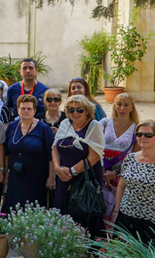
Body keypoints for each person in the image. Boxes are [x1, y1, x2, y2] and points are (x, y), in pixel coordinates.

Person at [114, 120, 155, 246]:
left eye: (148, 135)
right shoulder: (129, 159)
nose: (142, 137)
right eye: (139, 134)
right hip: (126, 218)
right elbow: (121, 187)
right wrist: (116, 212)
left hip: (152, 223)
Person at [52, 95, 105, 239]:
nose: (75, 113)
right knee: (64, 215)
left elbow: (94, 157)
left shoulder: (94, 126)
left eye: (79, 110)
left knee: (85, 215)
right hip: (64, 178)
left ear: (87, 110)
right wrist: (57, 168)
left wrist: (71, 171)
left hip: (85, 179)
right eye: (71, 110)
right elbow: (55, 148)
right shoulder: (65, 124)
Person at [2, 95, 55, 214]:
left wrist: (51, 177)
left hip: (37, 178)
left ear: (35, 111)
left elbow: (51, 154)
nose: (25, 111)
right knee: (13, 207)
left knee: (33, 209)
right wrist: (6, 172)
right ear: (18, 110)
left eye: (29, 109)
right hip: (16, 176)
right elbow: (6, 152)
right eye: (23, 108)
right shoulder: (12, 127)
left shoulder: (44, 129)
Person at [101, 93, 140, 222]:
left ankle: (113, 239)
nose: (122, 108)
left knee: (116, 209)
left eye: (126, 105)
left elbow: (136, 158)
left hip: (121, 175)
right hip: (101, 171)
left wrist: (116, 173)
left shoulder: (136, 129)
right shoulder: (105, 123)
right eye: (119, 104)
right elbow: (94, 146)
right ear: (114, 106)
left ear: (131, 108)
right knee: (99, 206)